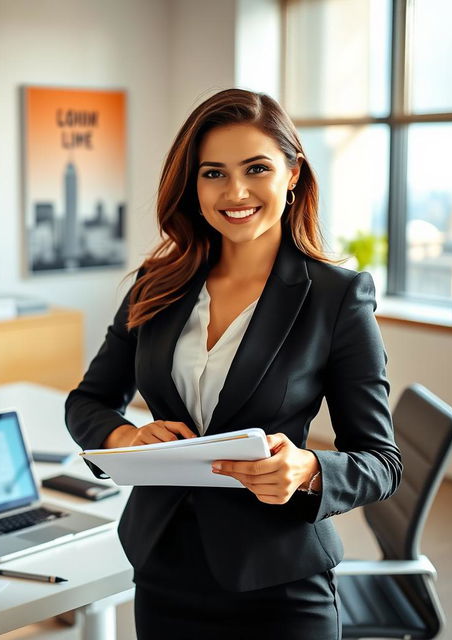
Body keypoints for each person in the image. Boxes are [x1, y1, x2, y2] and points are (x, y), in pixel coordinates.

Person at [65, 88, 402, 640]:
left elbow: (381, 462)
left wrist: (311, 470)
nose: (236, 191)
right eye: (213, 173)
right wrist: (126, 440)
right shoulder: (157, 286)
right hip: (163, 569)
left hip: (280, 583)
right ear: (192, 184)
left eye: (257, 168)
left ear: (293, 175)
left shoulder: (336, 296)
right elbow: (88, 401)